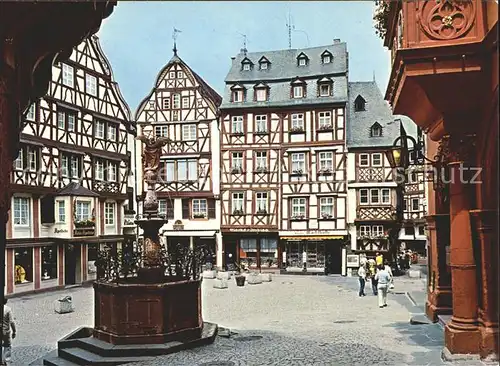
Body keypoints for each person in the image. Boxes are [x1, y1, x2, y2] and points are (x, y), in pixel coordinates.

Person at [2, 298, 17, 363]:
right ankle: (7, 359)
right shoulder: (7, 309)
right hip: (5, 331)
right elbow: (12, 322)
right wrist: (14, 331)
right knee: (7, 345)